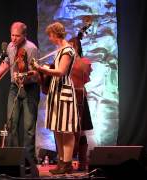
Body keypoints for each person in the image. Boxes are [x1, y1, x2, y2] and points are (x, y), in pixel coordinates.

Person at [32, 21, 79, 174]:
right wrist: (44, 69)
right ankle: (61, 160)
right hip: (55, 91)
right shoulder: (60, 50)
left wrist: (41, 68)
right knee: (57, 128)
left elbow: (60, 72)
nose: (50, 39)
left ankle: (67, 162)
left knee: (66, 129)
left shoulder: (67, 50)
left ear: (55, 34)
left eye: (50, 35)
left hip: (63, 91)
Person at [0, 22, 40, 162]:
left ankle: (28, 160)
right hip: (14, 87)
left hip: (30, 88)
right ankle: (14, 158)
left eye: (17, 36)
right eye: (12, 35)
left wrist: (25, 75)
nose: (13, 39)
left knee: (29, 126)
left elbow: (36, 73)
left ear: (24, 35)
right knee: (11, 122)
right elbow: (7, 61)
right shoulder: (10, 47)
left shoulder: (31, 48)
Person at [68, 37, 93, 171]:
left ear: (78, 48)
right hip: (67, 98)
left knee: (81, 130)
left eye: (74, 46)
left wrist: (76, 58)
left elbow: (86, 75)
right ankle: (67, 160)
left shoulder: (84, 61)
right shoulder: (65, 61)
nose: (71, 49)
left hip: (79, 97)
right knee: (68, 131)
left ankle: (83, 161)